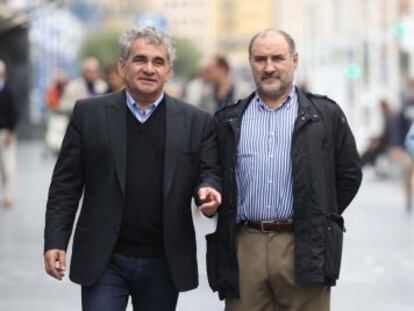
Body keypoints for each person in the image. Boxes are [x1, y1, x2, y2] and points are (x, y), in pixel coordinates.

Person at [43, 26, 222, 311]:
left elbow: (208, 172)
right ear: (122, 66)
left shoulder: (196, 122)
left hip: (163, 261)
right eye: (140, 60)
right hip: (104, 260)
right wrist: (55, 240)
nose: (149, 69)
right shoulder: (89, 115)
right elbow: (65, 185)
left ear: (169, 70)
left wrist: (209, 191)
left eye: (158, 62)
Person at [208, 29, 362, 311]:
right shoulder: (228, 119)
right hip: (246, 246)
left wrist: (319, 213)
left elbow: (349, 174)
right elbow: (213, 170)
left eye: (277, 58)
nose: (269, 67)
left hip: (305, 245)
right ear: (250, 63)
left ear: (294, 60)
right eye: (260, 59)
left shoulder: (325, 115)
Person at [0, 59, 17, 208]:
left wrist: (10, 132)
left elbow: (13, 113)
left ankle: (8, 194)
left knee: (7, 166)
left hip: (5, 133)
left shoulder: (8, 91)